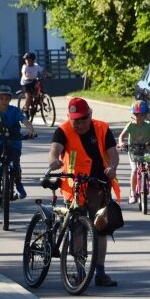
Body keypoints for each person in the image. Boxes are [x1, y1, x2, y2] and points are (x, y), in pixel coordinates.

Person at [48, 97, 121, 287]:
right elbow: (55, 149)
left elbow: (113, 153)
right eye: (75, 120)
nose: (79, 124)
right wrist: (54, 160)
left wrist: (112, 167)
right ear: (69, 118)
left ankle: (100, 272)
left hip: (99, 184)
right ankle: (80, 271)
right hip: (74, 186)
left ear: (90, 115)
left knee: (101, 228)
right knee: (78, 229)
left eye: (83, 120)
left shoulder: (102, 128)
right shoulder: (63, 130)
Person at [117, 100, 150, 204]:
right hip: (133, 150)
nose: (140, 118)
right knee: (134, 170)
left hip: (146, 149)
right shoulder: (130, 125)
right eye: (137, 115)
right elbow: (122, 136)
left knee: (149, 160)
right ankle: (133, 192)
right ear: (134, 115)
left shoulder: (148, 125)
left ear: (145, 115)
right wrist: (121, 143)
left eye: (142, 115)